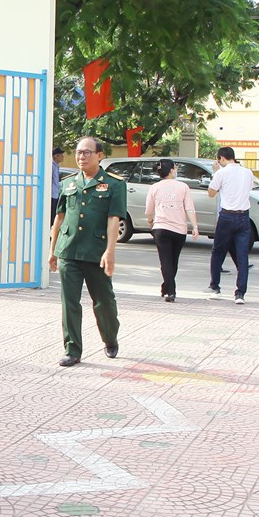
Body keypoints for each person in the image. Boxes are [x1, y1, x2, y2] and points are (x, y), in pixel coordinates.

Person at [49, 137, 126, 367]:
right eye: (78, 152)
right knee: (69, 303)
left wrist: (110, 252)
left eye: (87, 152)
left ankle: (110, 338)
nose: (81, 157)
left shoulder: (114, 184)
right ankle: (72, 349)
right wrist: (53, 250)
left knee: (104, 302)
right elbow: (60, 217)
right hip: (69, 250)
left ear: (99, 155)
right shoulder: (68, 183)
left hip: (96, 252)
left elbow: (114, 219)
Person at [145, 158, 199, 302]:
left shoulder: (154, 187)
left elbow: (149, 210)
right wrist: (194, 226)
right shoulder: (183, 187)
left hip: (160, 228)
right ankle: (171, 290)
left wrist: (150, 222)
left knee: (166, 261)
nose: (176, 170)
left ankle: (167, 288)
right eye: (175, 167)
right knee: (173, 261)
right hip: (179, 230)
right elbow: (189, 208)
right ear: (171, 170)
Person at [206, 146, 254, 305]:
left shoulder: (221, 173)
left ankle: (215, 288)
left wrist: (215, 173)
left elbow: (211, 193)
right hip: (243, 217)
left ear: (221, 158)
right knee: (242, 256)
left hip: (227, 216)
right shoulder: (247, 172)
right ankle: (240, 294)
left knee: (218, 252)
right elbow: (249, 189)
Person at [50, 147, 65, 225]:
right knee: (52, 216)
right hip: (52, 195)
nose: (63, 157)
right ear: (55, 156)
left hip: (56, 194)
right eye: (61, 155)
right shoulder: (52, 166)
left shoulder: (56, 166)